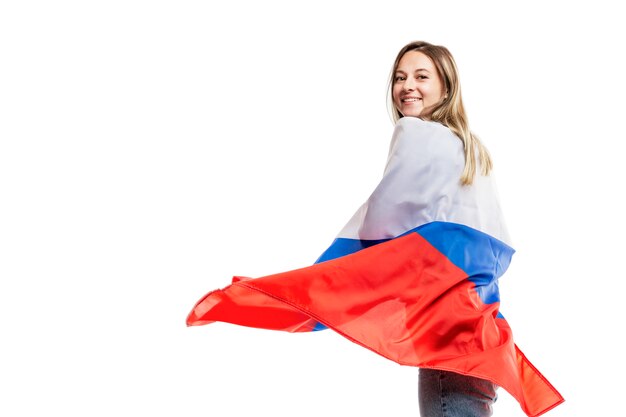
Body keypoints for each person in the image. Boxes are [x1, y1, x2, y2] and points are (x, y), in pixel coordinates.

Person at [187, 41, 563, 417]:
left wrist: (326, 280)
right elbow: (482, 247)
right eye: (400, 77)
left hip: (447, 338)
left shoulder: (416, 133)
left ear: (446, 87)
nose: (407, 86)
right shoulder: (471, 148)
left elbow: (384, 223)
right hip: (481, 332)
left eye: (421, 76)